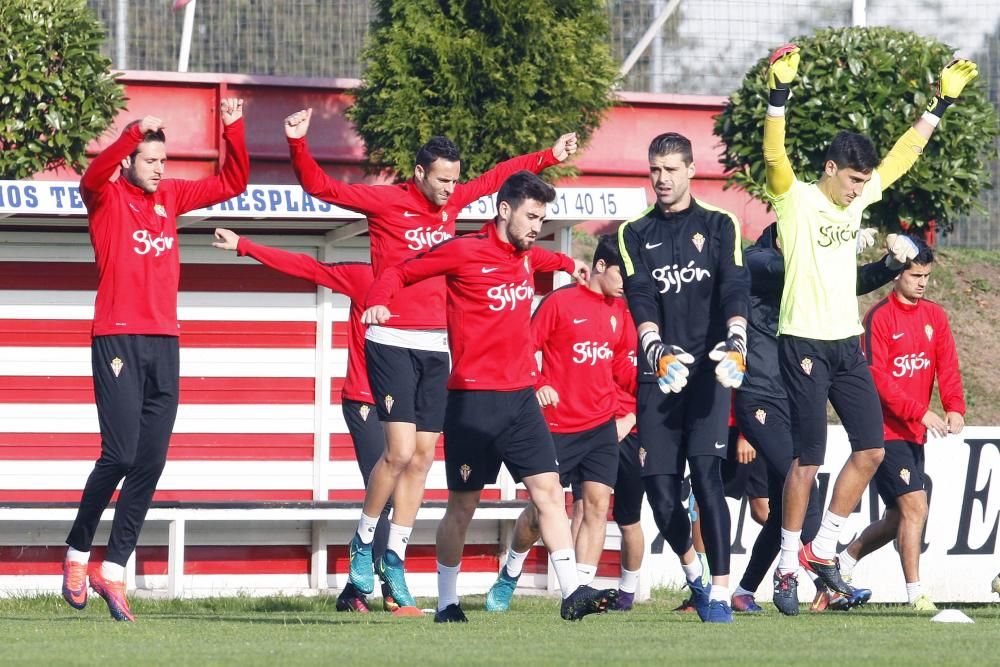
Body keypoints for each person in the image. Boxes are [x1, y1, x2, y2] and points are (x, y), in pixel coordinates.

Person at [283, 108, 579, 608]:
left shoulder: (456, 204)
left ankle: (393, 561)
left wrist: (549, 155)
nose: (450, 190)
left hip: (435, 346)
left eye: (455, 181)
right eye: (441, 180)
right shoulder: (384, 202)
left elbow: (497, 179)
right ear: (419, 173)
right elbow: (321, 189)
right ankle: (363, 538)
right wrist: (296, 144)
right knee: (397, 452)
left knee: (421, 459)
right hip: (392, 338)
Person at [762, 43, 978, 615]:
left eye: (863, 182)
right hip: (802, 341)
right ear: (830, 170)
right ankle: (788, 563)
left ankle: (823, 548)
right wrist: (778, 96)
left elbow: (902, 158)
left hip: (844, 344)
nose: (861, 190)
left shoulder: (854, 203)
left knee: (872, 450)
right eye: (853, 180)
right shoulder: (799, 201)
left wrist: (939, 106)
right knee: (807, 460)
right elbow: (774, 157)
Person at [362, 170, 615, 622]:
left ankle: (572, 593)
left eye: (543, 217)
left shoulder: (525, 256)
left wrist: (567, 265)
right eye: (532, 216)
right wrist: (379, 300)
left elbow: (540, 259)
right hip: (472, 404)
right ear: (504, 211)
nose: (537, 226)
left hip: (521, 400)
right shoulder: (463, 251)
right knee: (463, 505)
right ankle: (447, 602)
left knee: (549, 494)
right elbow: (400, 270)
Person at [61, 100, 250, 622]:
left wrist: (233, 128)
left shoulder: (171, 194)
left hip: (165, 341)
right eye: (150, 160)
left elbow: (233, 181)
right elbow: (95, 171)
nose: (160, 168)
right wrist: (129, 133)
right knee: (119, 456)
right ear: (129, 161)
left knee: (151, 461)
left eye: (164, 160)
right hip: (117, 339)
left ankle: (113, 569)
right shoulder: (106, 195)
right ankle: (78, 553)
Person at [209, 228, 392, 613]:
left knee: (401, 498)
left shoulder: (429, 286)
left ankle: (354, 592)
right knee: (385, 496)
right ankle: (389, 589)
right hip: (364, 402)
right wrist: (247, 244)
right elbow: (306, 267)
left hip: (405, 408)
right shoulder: (365, 277)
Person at [733, 222, 906, 614]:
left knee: (783, 507)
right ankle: (818, 577)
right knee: (804, 482)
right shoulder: (756, 259)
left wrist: (889, 265)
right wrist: (838, 248)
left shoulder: (805, 268)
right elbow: (791, 268)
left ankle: (744, 590)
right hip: (759, 397)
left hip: (793, 393)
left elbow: (848, 283)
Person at [617, 132, 751, 623]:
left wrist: (737, 340)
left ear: (692, 170)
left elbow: (735, 287)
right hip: (660, 373)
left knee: (708, 479)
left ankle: (719, 591)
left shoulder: (720, 225)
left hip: (711, 370)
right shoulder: (633, 232)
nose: (663, 179)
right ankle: (693, 575)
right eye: (655, 169)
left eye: (672, 169)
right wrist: (653, 347)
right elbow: (640, 297)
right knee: (661, 493)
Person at [483, 235, 635, 612]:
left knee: (598, 505)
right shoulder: (560, 302)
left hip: (601, 424)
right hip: (555, 425)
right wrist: (540, 383)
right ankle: (511, 570)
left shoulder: (623, 311)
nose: (625, 282)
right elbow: (523, 347)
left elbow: (625, 372)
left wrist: (631, 414)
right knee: (539, 514)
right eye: (622, 273)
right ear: (600, 266)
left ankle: (579, 593)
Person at [838, 241, 965, 611]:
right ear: (898, 275)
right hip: (884, 431)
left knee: (897, 517)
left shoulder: (935, 317)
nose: (922, 282)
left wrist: (954, 407)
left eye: (927, 276)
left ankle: (843, 563)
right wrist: (918, 411)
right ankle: (916, 595)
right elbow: (877, 379)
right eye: (915, 275)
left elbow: (948, 367)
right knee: (914, 507)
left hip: (913, 435)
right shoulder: (878, 318)